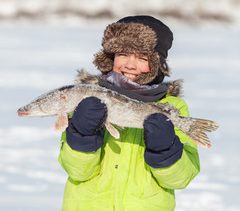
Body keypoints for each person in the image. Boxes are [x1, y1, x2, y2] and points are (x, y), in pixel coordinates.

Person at [58, 15, 200, 211]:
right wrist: (82, 135)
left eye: (142, 58)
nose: (130, 65)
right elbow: (77, 170)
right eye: (123, 54)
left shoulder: (172, 107)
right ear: (111, 57)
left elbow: (181, 179)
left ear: (158, 64)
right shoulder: (87, 98)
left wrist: (165, 150)